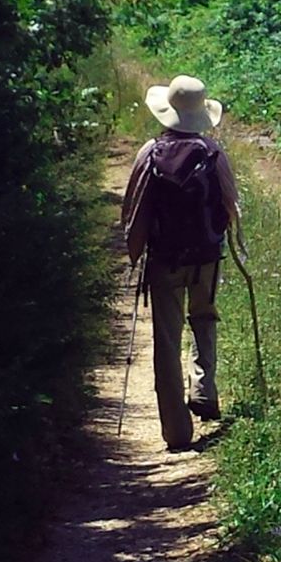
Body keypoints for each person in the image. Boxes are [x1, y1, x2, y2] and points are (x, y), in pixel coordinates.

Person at [121, 75, 241, 452]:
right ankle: (204, 388)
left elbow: (133, 209)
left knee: (167, 342)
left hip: (164, 261)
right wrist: (233, 243)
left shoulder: (150, 153)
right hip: (206, 256)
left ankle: (176, 432)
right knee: (204, 319)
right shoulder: (212, 152)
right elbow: (231, 204)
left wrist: (134, 251)